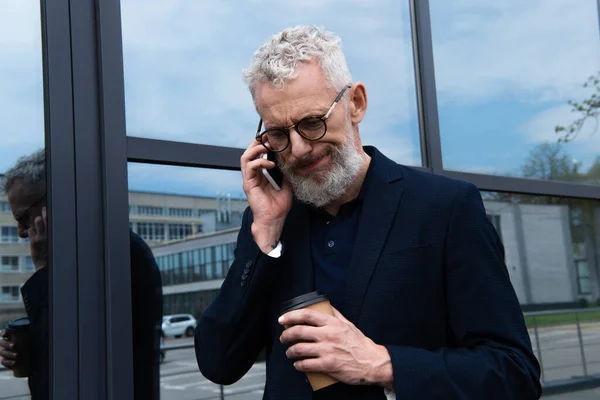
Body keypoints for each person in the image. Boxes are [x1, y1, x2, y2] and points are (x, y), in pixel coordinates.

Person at [194, 25, 541, 399]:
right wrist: (263, 233)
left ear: (355, 103)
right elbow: (219, 362)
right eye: (278, 133)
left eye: (312, 122)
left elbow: (513, 374)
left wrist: (381, 364)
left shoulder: (445, 208)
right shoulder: (270, 223)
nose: (297, 150)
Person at [0, 149, 163, 399]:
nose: (21, 231)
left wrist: (43, 267)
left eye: (23, 217)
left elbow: (74, 347)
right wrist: (26, 349)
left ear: (52, 200)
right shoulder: (80, 254)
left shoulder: (112, 253)